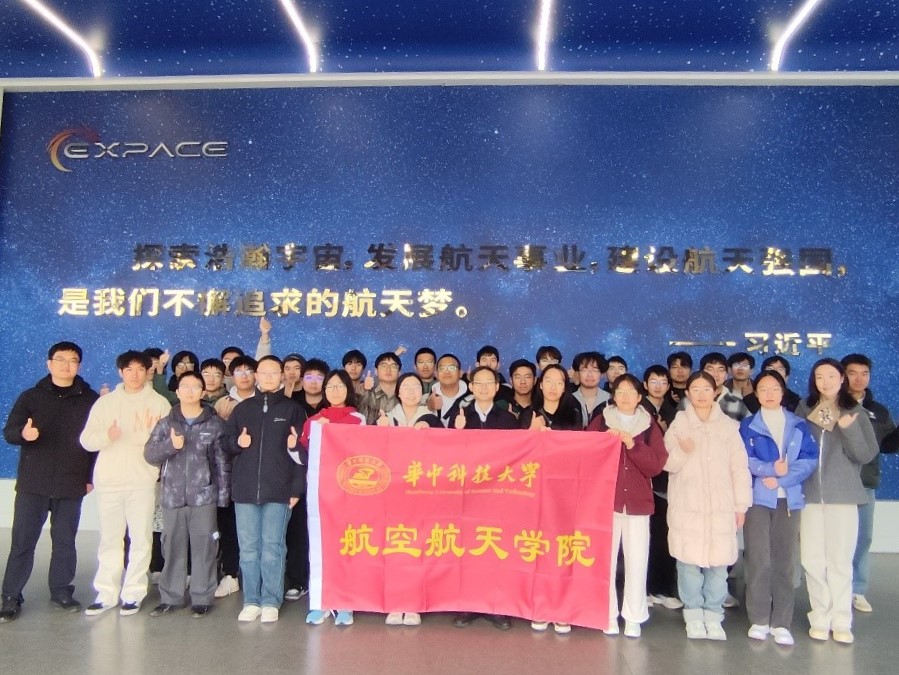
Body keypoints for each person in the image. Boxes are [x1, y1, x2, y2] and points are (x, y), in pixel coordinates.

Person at [0, 342, 99, 622]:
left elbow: (95, 444)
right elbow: (9, 431)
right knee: (23, 541)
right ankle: (10, 595)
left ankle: (61, 591)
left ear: (79, 365)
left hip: (71, 482)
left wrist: (89, 477)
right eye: (60, 359)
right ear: (49, 364)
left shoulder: (90, 399)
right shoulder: (31, 396)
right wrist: (23, 434)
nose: (66, 365)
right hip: (34, 482)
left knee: (65, 541)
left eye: (73, 360)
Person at [79, 350, 172, 616]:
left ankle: (133, 593)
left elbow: (168, 443)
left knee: (141, 538)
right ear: (120, 372)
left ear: (148, 371)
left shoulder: (159, 404)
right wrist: (107, 436)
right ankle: (106, 593)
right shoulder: (105, 403)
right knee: (110, 539)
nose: (135, 374)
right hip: (109, 481)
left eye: (140, 369)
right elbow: (86, 440)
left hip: (142, 481)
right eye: (129, 369)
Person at [795, 358, 879, 644]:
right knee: (811, 559)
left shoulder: (855, 411)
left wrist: (848, 428)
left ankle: (842, 620)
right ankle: (820, 616)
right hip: (809, 496)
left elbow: (865, 455)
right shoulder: (805, 409)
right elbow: (795, 448)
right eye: (819, 377)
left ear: (842, 378)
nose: (825, 382)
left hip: (842, 497)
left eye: (831, 376)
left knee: (840, 561)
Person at [664, 372, 751, 641]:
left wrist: (741, 505)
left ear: (716, 392)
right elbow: (666, 464)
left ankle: (714, 615)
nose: (701, 394)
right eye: (696, 389)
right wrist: (682, 450)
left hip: (720, 507)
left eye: (706, 389)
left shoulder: (728, 427)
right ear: (687, 393)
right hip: (688, 506)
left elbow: (739, 468)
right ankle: (693, 614)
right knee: (688, 565)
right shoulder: (678, 425)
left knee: (718, 565)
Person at [223, 356, 306, 623]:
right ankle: (251, 600)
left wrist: (296, 488)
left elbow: (302, 453)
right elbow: (225, 444)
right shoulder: (243, 409)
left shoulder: (293, 410)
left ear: (282, 376)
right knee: (248, 548)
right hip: (245, 490)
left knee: (273, 547)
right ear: (256, 375)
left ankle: (271, 599)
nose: (269, 377)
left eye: (274, 372)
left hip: (279, 490)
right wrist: (238, 442)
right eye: (264, 372)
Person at [739, 370, 818, 646]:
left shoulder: (798, 425)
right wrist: (769, 469)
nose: (769, 394)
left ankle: (782, 622)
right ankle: (759, 618)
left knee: (785, 561)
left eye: (774, 388)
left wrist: (782, 479)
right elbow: (743, 459)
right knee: (758, 559)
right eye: (763, 389)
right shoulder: (747, 425)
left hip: (789, 500)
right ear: (756, 393)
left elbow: (809, 460)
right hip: (758, 500)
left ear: (783, 392)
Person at [143, 371, 230, 618]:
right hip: (172, 496)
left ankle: (202, 597)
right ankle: (170, 597)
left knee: (205, 547)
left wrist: (223, 496)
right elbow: (149, 454)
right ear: (177, 391)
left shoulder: (215, 424)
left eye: (195, 387)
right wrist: (171, 446)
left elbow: (222, 462)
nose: (190, 391)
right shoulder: (166, 423)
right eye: (185, 386)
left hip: (204, 496)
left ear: (203, 392)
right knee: (172, 547)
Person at [587, 374, 667, 638]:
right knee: (605, 563)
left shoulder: (649, 425)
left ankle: (633, 616)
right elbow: (586, 456)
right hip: (606, 503)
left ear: (639, 396)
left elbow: (655, 465)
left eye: (630, 392)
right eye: (620, 391)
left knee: (637, 562)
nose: (624, 397)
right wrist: (603, 443)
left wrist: (632, 445)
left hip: (638, 504)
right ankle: (607, 614)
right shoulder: (601, 421)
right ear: (613, 395)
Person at [452, 366, 518, 630]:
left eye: (488, 382)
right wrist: (456, 433)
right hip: (466, 495)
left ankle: (497, 607)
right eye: (477, 383)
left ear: (497, 387)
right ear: (470, 387)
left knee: (496, 549)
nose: (483, 387)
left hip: (498, 495)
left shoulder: (508, 419)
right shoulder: (460, 415)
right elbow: (446, 455)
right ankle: (467, 605)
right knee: (468, 550)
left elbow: (519, 455)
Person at [303, 370, 366, 627]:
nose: (335, 391)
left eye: (340, 386)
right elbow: (304, 452)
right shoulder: (314, 420)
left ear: (348, 389)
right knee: (321, 548)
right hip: (320, 495)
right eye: (330, 386)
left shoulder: (357, 419)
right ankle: (321, 603)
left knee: (346, 547)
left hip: (348, 495)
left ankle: (345, 603)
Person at [840, 354, 896, 614]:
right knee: (836, 539)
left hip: (865, 481)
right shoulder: (832, 404)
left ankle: (858, 589)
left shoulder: (879, 411)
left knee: (863, 536)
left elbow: (888, 445)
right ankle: (835, 587)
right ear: (843, 375)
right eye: (853, 373)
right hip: (835, 483)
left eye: (864, 373)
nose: (859, 378)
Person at [211, 354, 257, 599]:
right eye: (239, 371)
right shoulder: (221, 403)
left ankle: (256, 578)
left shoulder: (264, 401)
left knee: (255, 530)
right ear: (232, 376)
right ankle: (230, 575)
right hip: (226, 475)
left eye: (249, 371)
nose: (245, 375)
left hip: (257, 475)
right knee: (228, 526)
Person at [639, 365, 681, 611]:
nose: (658, 386)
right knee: (644, 539)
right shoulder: (638, 411)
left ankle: (662, 589)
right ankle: (643, 589)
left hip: (667, 485)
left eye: (663, 382)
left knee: (665, 538)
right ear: (645, 385)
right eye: (653, 381)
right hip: (643, 484)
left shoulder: (673, 412)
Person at [519, 364, 582, 432]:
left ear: (564, 388)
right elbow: (521, 438)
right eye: (548, 381)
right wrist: (532, 430)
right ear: (541, 385)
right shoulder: (528, 415)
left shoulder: (573, 416)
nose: (553, 387)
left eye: (559, 383)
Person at [358, 352, 402, 425]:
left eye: (393, 366)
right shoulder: (366, 394)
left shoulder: (405, 396)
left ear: (399, 372)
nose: (388, 369)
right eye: (384, 365)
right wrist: (363, 388)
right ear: (376, 371)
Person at [427, 354, 469, 426]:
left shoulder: (473, 397)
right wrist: (429, 407)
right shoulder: (425, 398)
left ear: (460, 373)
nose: (447, 372)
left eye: (452, 368)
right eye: (442, 368)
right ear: (436, 374)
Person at [572, 351, 610, 427]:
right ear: (577, 373)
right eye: (585, 370)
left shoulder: (611, 400)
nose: (590, 374)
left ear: (602, 374)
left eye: (595, 370)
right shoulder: (568, 400)